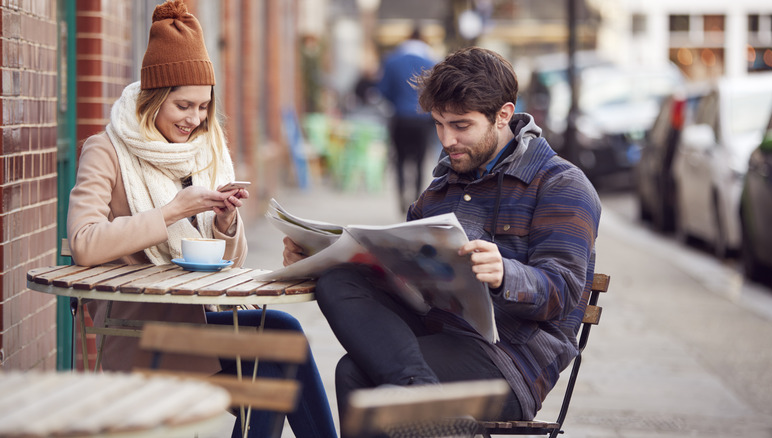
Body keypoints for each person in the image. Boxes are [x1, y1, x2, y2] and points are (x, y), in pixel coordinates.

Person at [283, 47, 601, 433]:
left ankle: (420, 400)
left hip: (511, 361)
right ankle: (426, 402)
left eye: (461, 125)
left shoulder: (561, 184)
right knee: (339, 281)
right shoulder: (438, 191)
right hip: (438, 334)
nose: (447, 139)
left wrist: (505, 273)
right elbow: (402, 281)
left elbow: (564, 291)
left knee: (357, 373)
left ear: (503, 115)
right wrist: (320, 257)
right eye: (438, 124)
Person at [66, 1, 337, 437]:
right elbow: (84, 241)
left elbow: (228, 261)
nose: (195, 120)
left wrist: (225, 224)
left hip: (197, 316)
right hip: (140, 326)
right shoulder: (107, 150)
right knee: (271, 371)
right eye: (183, 106)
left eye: (204, 108)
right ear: (152, 100)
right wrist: (174, 210)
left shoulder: (202, 153)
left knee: (283, 332)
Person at [377, 26, 437, 213]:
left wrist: (396, 102)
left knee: (400, 159)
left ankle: (402, 198)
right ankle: (417, 199)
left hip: (400, 117)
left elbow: (382, 91)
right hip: (422, 119)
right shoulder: (431, 61)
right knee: (420, 160)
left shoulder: (392, 60)